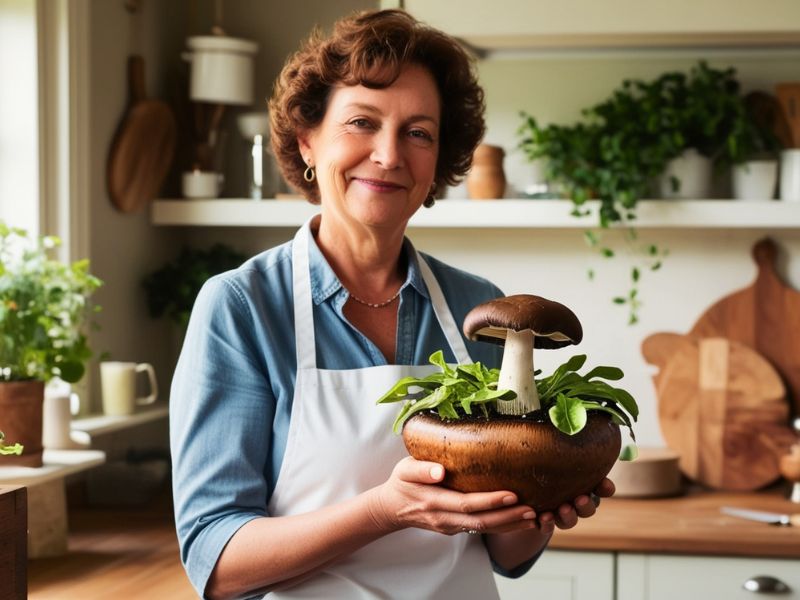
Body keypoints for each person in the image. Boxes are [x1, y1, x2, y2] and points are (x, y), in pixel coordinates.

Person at [170, 9, 614, 600]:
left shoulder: (475, 304)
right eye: (361, 122)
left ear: (437, 164)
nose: (388, 154)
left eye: (419, 132)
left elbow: (504, 556)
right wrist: (386, 511)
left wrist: (544, 501)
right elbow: (215, 562)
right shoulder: (243, 307)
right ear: (309, 140)